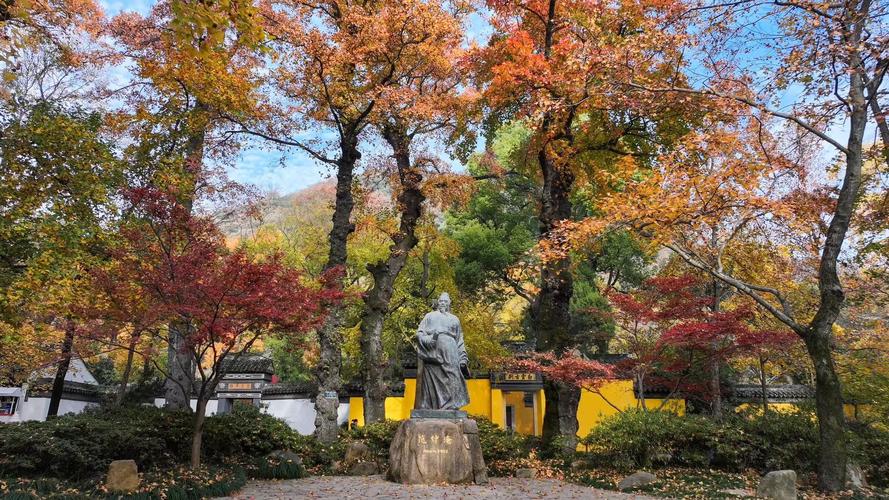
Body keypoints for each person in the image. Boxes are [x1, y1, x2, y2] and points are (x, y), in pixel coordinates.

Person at [415, 292, 470, 410]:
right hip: (433, 351)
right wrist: (431, 339)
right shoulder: (429, 316)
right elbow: (420, 333)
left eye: (445, 301)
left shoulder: (455, 319)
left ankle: (451, 406)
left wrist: (463, 357)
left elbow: (459, 339)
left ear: (449, 303)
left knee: (453, 376)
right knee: (432, 378)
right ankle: (431, 407)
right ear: (437, 303)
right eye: (441, 301)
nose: (443, 303)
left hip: (451, 351)